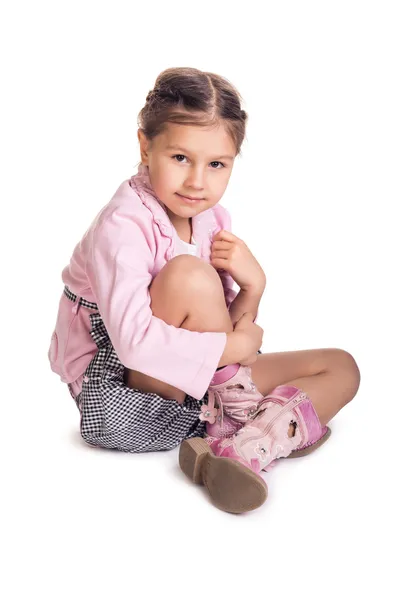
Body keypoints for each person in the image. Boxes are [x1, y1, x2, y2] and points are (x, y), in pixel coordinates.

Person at [48, 66, 361, 514]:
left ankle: (247, 446)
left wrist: (254, 286)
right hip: (125, 398)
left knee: (339, 366)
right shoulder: (124, 223)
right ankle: (264, 424)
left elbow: (225, 331)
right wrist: (234, 344)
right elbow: (137, 346)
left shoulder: (213, 221)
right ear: (145, 146)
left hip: (205, 388)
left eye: (216, 164)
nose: (197, 181)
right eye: (181, 158)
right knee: (188, 275)